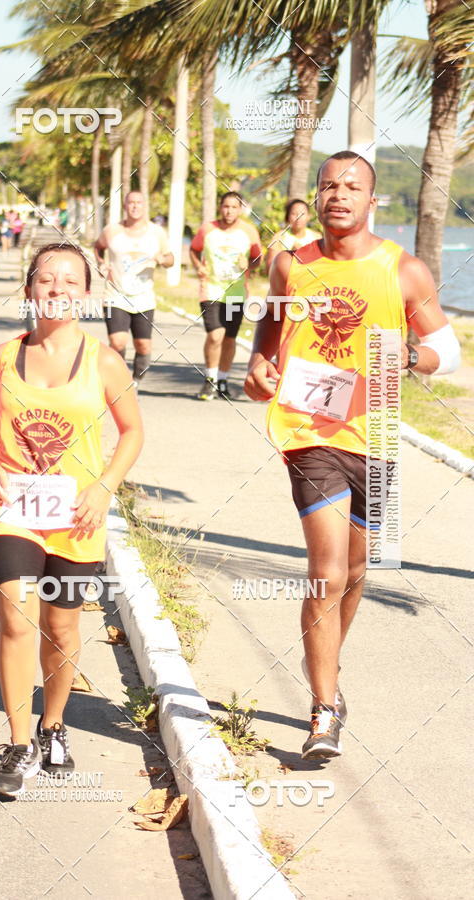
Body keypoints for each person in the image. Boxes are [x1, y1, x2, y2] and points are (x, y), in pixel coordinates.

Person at [244, 151, 460, 760]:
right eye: (328, 185)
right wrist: (262, 364)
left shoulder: (404, 271)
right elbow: (270, 326)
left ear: (372, 201)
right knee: (328, 571)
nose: (338, 194)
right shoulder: (291, 265)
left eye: (352, 186)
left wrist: (408, 359)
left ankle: (330, 679)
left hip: (378, 436)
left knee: (358, 572)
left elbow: (448, 352)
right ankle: (322, 708)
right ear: (316, 197)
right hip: (308, 431)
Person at [0, 241, 143, 796]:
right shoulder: (4, 357)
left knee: (62, 625)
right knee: (16, 618)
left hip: (76, 515)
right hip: (12, 511)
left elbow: (134, 432)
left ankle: (54, 725)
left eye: (70, 281)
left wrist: (103, 487)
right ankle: (19, 745)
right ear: (29, 289)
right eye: (47, 280)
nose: (57, 290)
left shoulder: (103, 361)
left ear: (87, 294)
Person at [94, 191, 173, 384]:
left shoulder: (156, 233)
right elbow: (98, 247)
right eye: (131, 203)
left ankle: (135, 381)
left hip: (143, 297)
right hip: (116, 295)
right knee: (117, 342)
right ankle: (119, 382)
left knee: (143, 346)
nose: (135, 206)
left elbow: (170, 258)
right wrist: (101, 264)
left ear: (145, 206)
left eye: (139, 202)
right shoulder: (112, 230)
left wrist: (163, 260)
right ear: (125, 206)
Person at [190, 191, 262, 401]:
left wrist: (248, 265)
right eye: (226, 206)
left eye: (233, 207)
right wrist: (198, 267)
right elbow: (194, 250)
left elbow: (258, 258)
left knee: (229, 338)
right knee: (215, 335)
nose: (229, 211)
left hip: (236, 294)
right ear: (220, 208)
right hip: (211, 290)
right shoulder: (208, 229)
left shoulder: (248, 231)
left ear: (240, 210)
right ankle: (209, 380)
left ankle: (222, 380)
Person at [264, 198, 321, 271]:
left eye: (302, 214)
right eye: (294, 214)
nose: (298, 217)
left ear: (309, 216)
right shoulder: (279, 237)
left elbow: (321, 265)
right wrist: (289, 256)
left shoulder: (316, 237)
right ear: (287, 217)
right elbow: (270, 267)